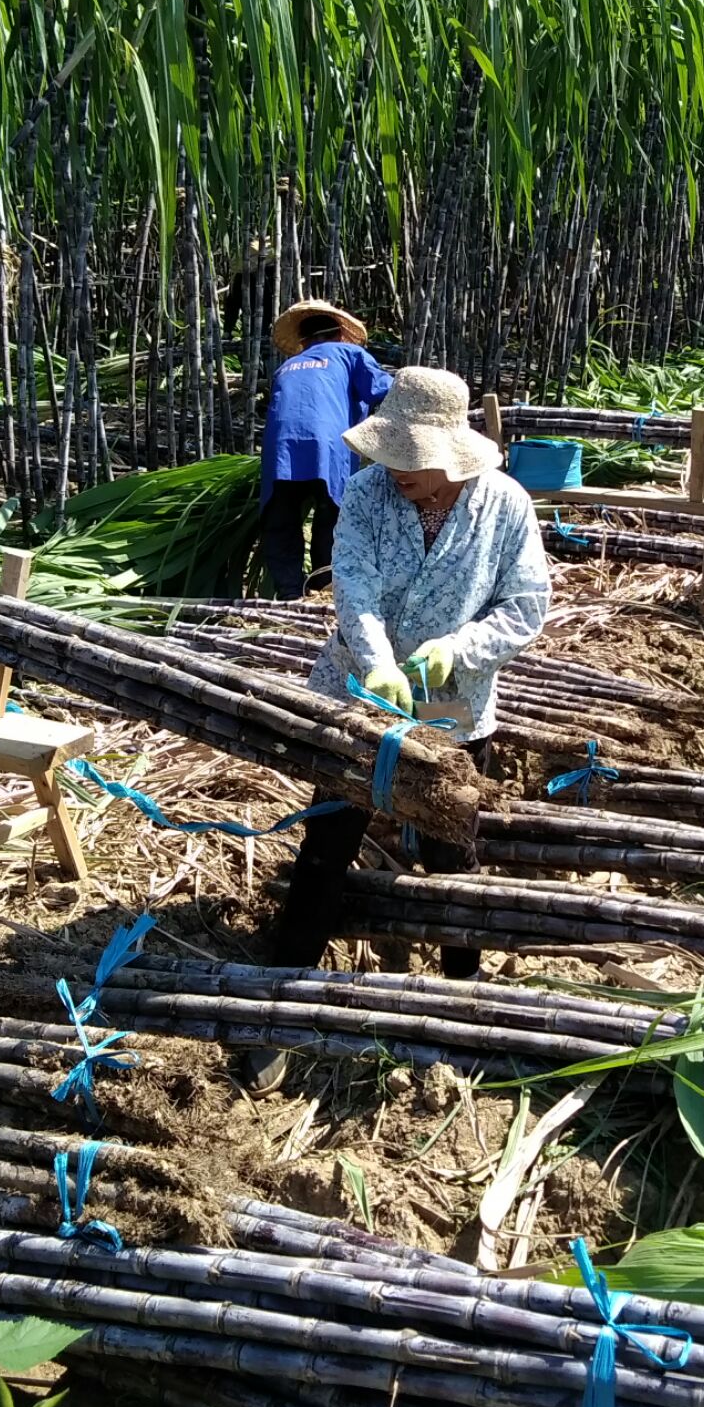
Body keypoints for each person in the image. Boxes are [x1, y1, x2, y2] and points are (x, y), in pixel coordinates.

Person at [270, 366, 551, 977]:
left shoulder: (505, 506)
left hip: (454, 704)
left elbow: (526, 604)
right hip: (362, 691)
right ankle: (286, 974)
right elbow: (354, 588)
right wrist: (377, 664)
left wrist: (461, 647)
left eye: (411, 458)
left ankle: (462, 976)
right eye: (391, 452)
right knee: (328, 841)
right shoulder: (368, 494)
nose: (398, 469)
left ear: (450, 456)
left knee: (454, 845)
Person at [259, 298, 392, 598]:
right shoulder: (350, 353)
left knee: (281, 520)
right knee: (332, 516)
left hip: (281, 451)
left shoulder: (287, 366)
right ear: (339, 334)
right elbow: (383, 389)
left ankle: (290, 595)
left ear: (303, 341)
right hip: (328, 448)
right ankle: (325, 589)